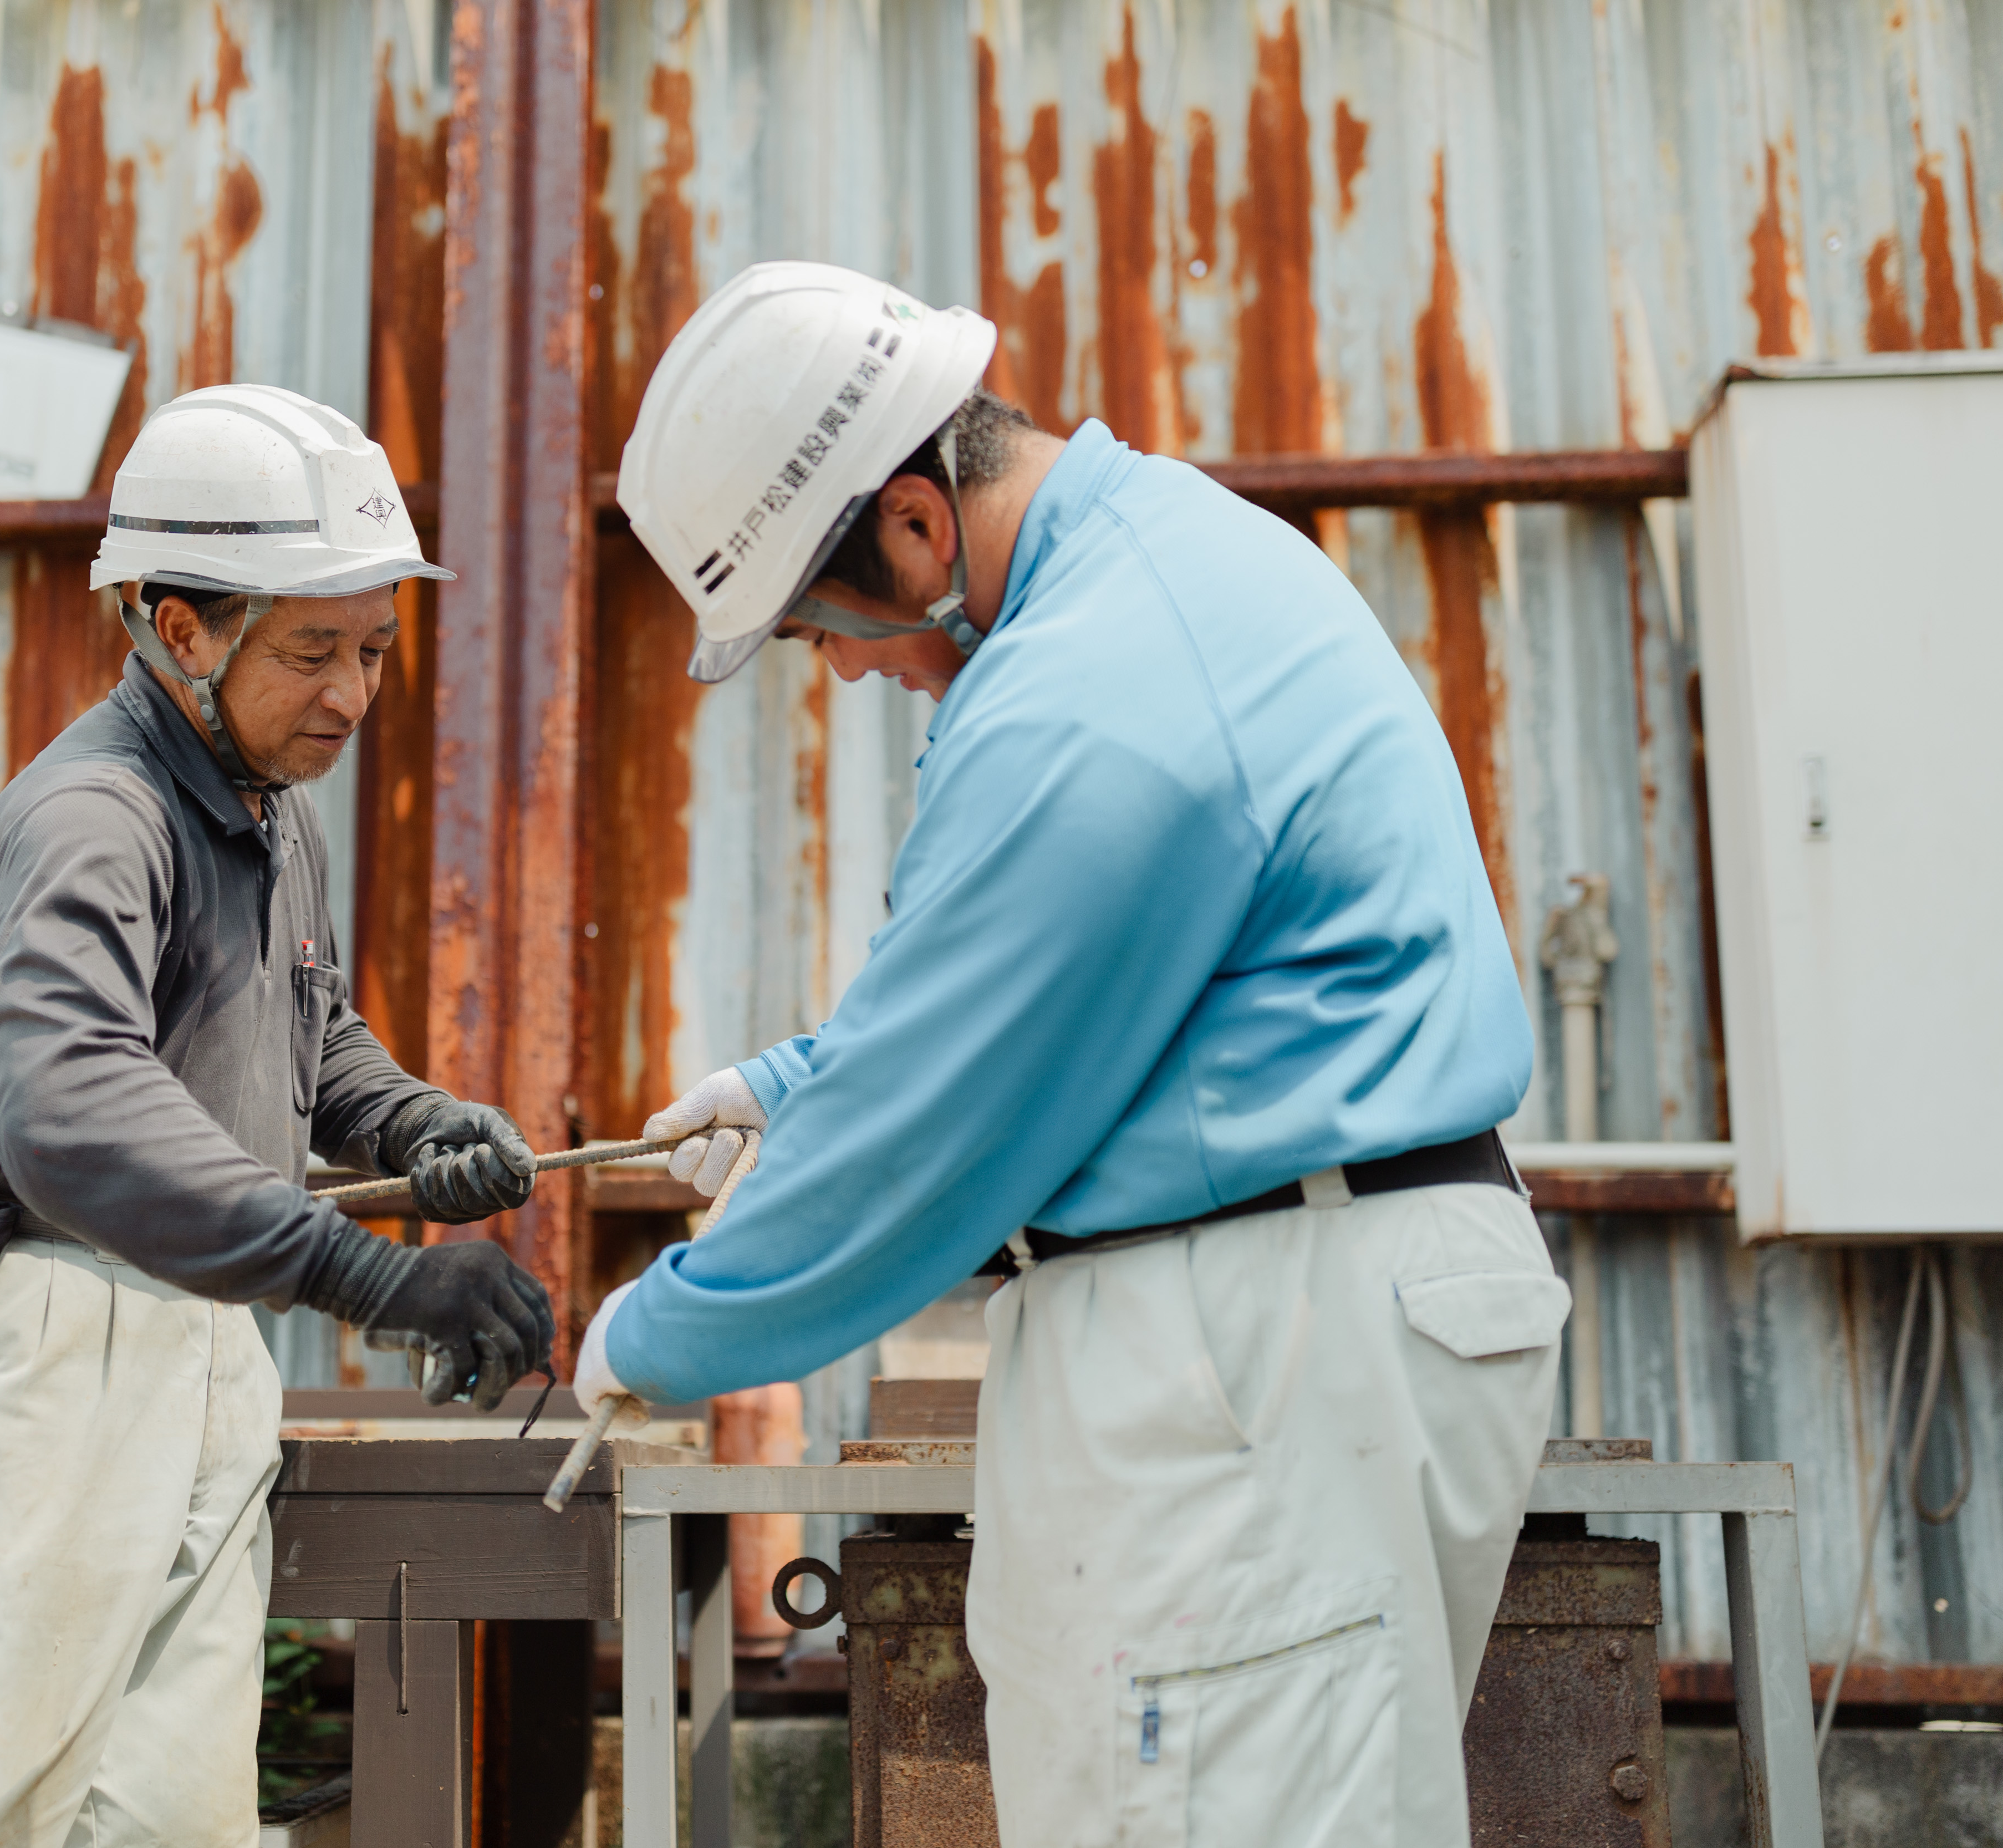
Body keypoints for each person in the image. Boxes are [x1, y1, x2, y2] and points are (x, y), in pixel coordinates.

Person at [577, 262, 1569, 1846]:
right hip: (1296, 1302)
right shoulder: (1156, 570)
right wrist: (795, 1088)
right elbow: (1066, 994)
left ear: (913, 521)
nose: (840, 669)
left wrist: (655, 1336)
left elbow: (934, 1130)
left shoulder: (1095, 696)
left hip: (1258, 1339)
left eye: (821, 629)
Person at [0, 384, 554, 1848]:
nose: (351, 695)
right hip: (24, 1349)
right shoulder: (97, 816)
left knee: (165, 1822)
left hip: (197, 1347)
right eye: (313, 650)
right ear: (175, 627)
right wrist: (372, 1278)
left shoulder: (270, 810)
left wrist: (415, 1131)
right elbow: (72, 1111)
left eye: (375, 651)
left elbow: (305, 1038)